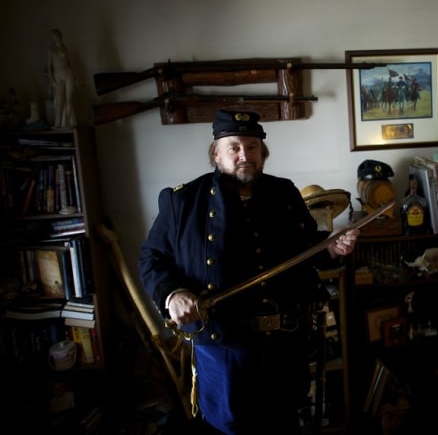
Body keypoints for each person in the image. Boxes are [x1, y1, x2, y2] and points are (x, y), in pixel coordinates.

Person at [139, 109, 359, 435]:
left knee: (283, 423)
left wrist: (330, 247)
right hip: (222, 347)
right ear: (216, 153)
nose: (245, 155)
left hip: (285, 343)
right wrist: (173, 293)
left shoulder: (284, 194)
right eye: (235, 147)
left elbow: (305, 250)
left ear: (263, 151)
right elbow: (152, 258)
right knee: (230, 428)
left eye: (253, 147)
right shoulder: (182, 201)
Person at [46, 28, 77, 129]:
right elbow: (49, 67)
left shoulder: (65, 49)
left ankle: (67, 122)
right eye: (54, 36)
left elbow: (69, 64)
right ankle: (57, 123)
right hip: (58, 77)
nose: (56, 37)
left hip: (68, 75)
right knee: (59, 101)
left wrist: (76, 77)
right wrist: (52, 81)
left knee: (69, 101)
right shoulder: (51, 50)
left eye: (57, 35)